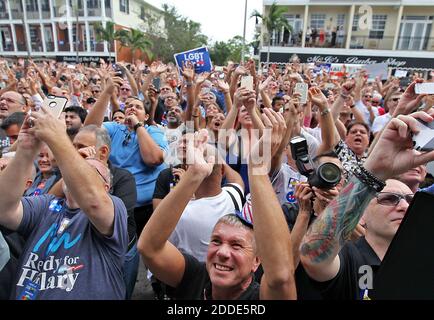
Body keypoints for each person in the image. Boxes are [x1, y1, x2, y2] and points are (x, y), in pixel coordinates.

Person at [138, 110, 297, 300]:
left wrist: (258, 168)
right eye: (216, 241)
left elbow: (281, 277)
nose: (222, 252)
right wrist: (195, 173)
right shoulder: (196, 277)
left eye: (236, 245)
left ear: (256, 261)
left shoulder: (260, 297)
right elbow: (148, 247)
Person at [300, 110, 434, 300]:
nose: (404, 206)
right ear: (361, 214)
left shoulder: (424, 260)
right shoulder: (350, 259)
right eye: (389, 199)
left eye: (411, 201)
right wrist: (374, 173)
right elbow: (313, 254)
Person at [0, 106, 128, 299]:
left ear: (106, 186)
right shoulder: (47, 205)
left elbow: (93, 200)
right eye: (74, 162)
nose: (75, 167)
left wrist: (58, 137)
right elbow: (4, 210)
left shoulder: (115, 207)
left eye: (87, 166)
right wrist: (25, 149)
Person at [85, 76, 168, 237]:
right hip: (113, 203)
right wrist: (107, 93)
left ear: (145, 116)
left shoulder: (153, 132)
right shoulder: (114, 128)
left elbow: (154, 159)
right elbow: (89, 129)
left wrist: (138, 126)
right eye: (129, 106)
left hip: (145, 209)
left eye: (138, 107)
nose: (132, 108)